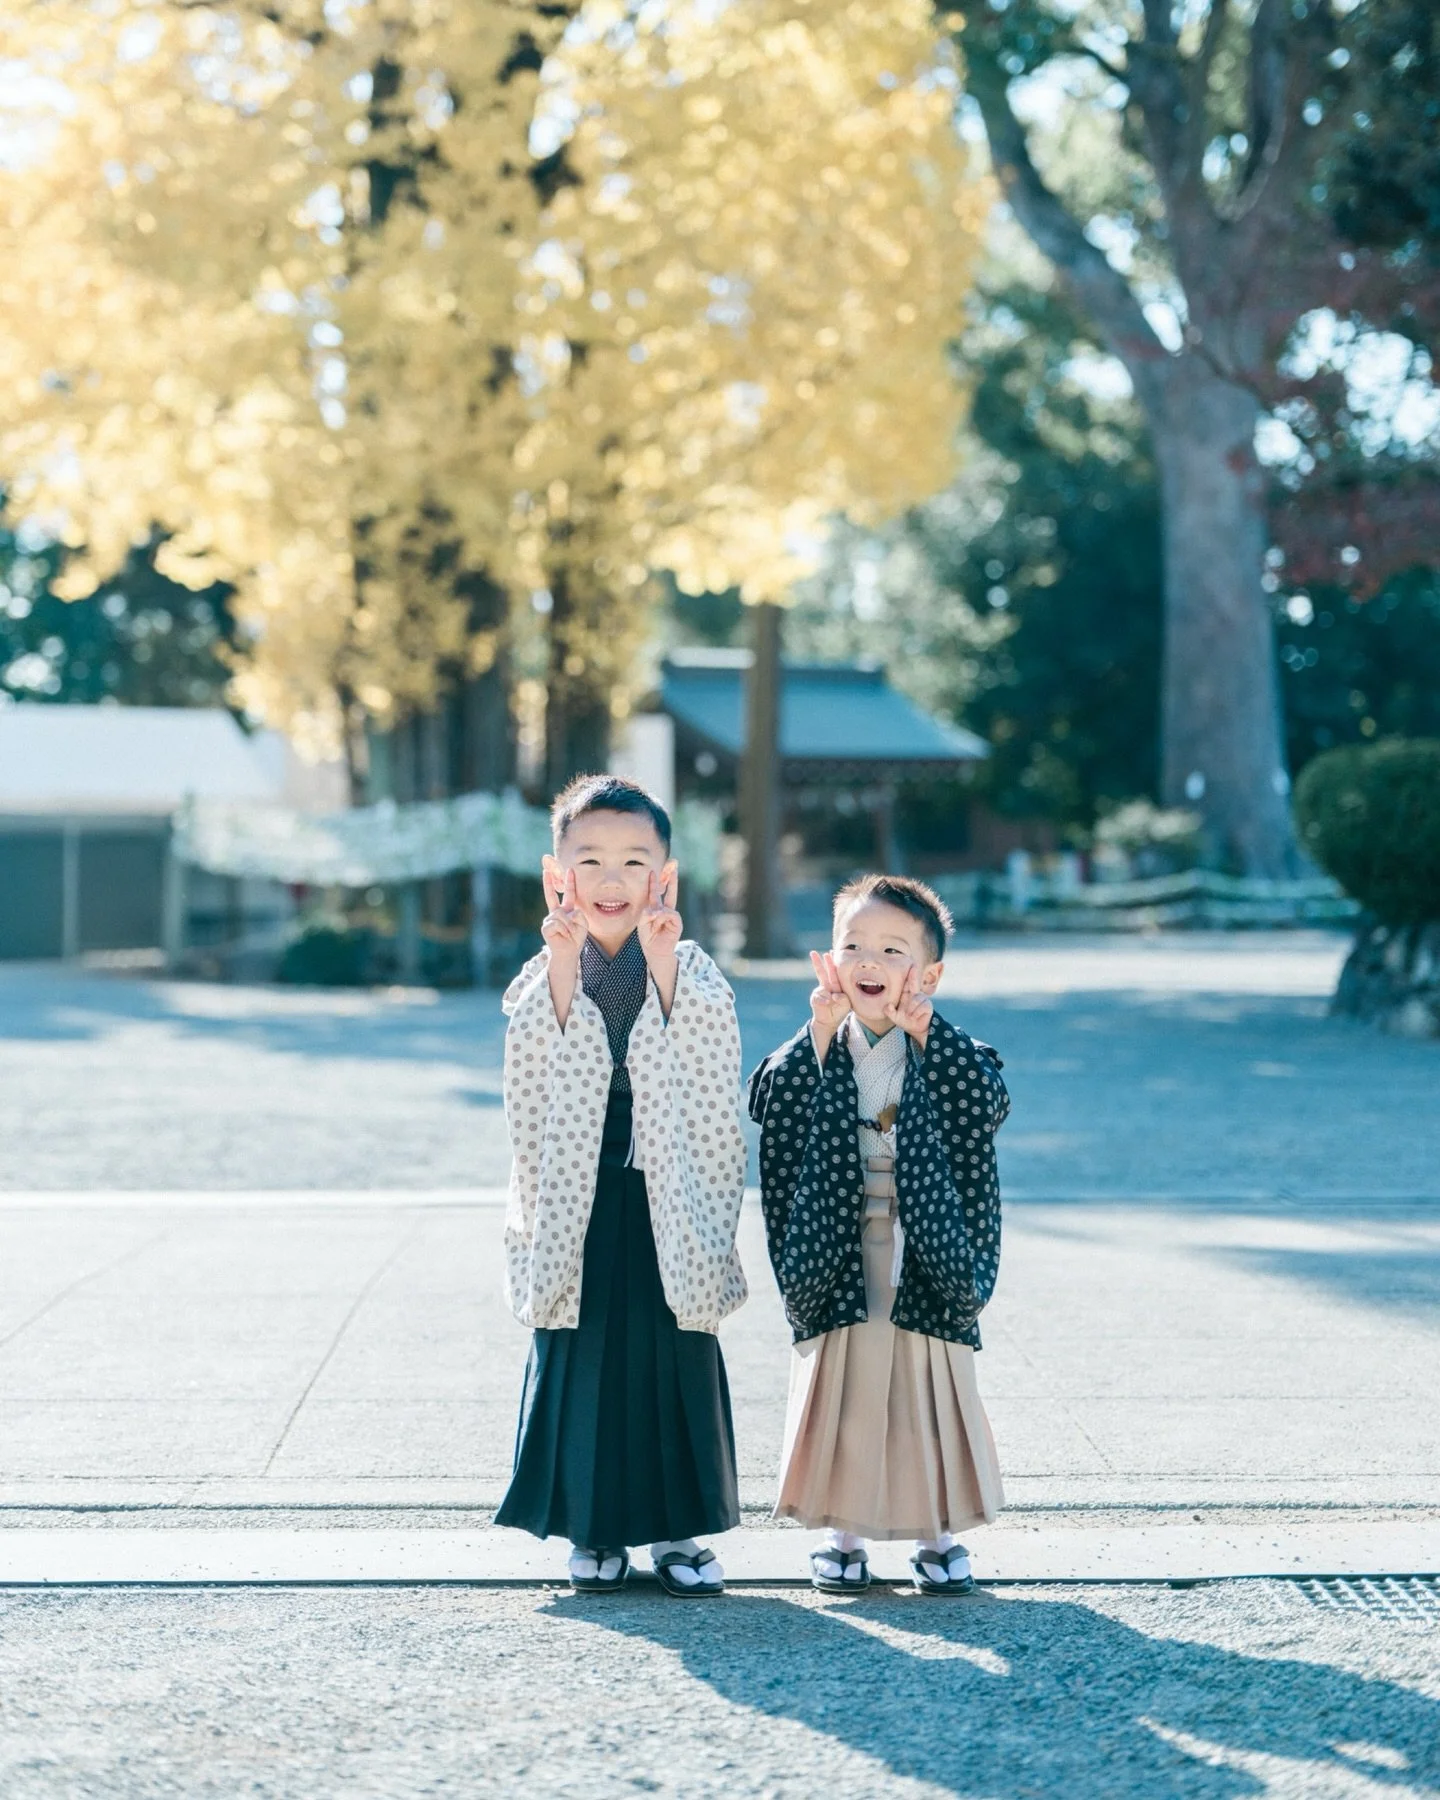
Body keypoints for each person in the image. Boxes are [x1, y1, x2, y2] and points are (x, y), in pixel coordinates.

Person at [494, 773, 747, 1596]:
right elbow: (534, 1077)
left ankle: (679, 1533)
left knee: (673, 1348)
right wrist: (565, 967)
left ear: (663, 877)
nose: (611, 880)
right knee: (586, 1346)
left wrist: (665, 967)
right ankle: (593, 1530)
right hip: (580, 1183)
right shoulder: (544, 971)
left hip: (667, 1183)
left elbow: (708, 1071)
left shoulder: (695, 968)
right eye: (590, 858)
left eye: (634, 860)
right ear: (555, 875)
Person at [746, 873, 1008, 1595]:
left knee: (927, 1389)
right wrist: (819, 1031)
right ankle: (843, 1535)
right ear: (829, 959)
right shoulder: (822, 1041)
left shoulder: (951, 1051)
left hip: (927, 1244)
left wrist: (932, 1036)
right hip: (841, 1241)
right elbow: (766, 1101)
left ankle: (937, 1533)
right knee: (850, 1390)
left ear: (929, 974)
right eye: (852, 944)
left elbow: (988, 1104)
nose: (868, 961)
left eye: (892, 949)